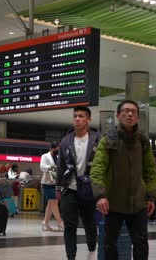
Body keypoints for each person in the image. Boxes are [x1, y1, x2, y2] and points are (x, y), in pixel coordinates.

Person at [90, 100, 156, 260]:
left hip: (139, 204)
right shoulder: (108, 140)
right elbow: (97, 169)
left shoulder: (143, 141)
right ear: (118, 115)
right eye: (126, 111)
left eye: (133, 112)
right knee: (109, 244)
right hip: (113, 203)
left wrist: (151, 197)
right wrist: (100, 196)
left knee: (141, 244)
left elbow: (150, 171)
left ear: (138, 117)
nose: (130, 114)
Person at [56, 106, 101, 260]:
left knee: (89, 222)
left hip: (89, 188)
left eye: (81, 116)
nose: (77, 119)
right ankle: (71, 256)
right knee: (70, 225)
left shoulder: (98, 139)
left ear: (88, 119)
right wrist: (58, 187)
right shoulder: (66, 140)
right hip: (70, 187)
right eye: (75, 116)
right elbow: (61, 165)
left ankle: (91, 244)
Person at [40, 141, 64, 232]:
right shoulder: (45, 156)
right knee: (54, 202)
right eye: (56, 149)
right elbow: (42, 167)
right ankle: (60, 223)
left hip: (55, 182)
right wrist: (52, 168)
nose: (58, 151)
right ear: (52, 148)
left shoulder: (58, 157)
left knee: (51, 204)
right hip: (47, 182)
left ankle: (45, 223)